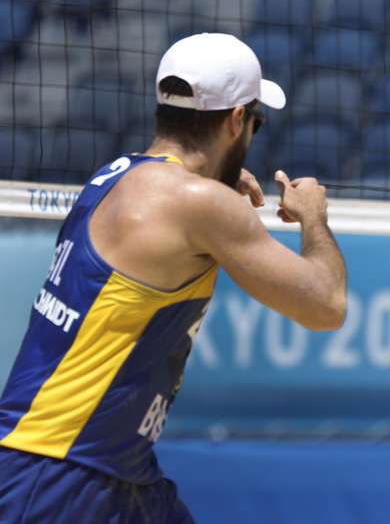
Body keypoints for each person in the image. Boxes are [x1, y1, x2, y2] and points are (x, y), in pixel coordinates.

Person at [0, 33, 346, 523]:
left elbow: (177, 209)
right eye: (256, 123)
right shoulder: (199, 203)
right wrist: (313, 216)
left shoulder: (113, 177)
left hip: (106, 466)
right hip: (60, 469)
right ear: (236, 121)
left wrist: (217, 188)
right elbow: (326, 304)